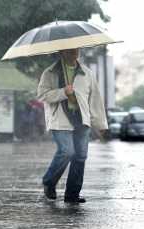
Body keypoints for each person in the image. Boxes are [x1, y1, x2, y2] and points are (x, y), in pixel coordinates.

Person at [37, 48, 108, 204]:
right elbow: (42, 95)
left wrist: (100, 124)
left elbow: (95, 100)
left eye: (77, 49)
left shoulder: (86, 73)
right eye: (70, 50)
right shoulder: (50, 72)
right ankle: (49, 182)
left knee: (80, 156)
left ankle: (72, 195)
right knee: (67, 151)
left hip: (81, 119)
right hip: (60, 119)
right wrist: (63, 92)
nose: (75, 52)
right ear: (62, 52)